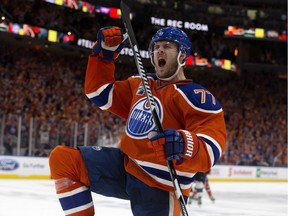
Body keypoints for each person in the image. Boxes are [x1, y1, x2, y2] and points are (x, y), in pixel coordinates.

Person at [49, 26, 227, 216]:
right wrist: (103, 56)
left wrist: (185, 143)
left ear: (182, 56)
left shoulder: (195, 96)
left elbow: (212, 147)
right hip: (126, 168)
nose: (159, 50)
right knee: (64, 160)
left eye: (167, 46)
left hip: (162, 186)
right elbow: (99, 93)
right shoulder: (141, 84)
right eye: (156, 46)